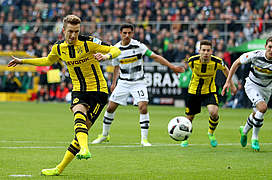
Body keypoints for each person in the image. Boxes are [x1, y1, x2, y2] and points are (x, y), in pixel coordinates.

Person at [8, 15, 121, 176]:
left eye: (76, 31)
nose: (73, 35)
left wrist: (106, 56)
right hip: (79, 90)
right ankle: (84, 149)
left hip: (98, 91)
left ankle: (61, 166)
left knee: (81, 131)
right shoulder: (59, 48)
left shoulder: (89, 42)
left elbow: (115, 49)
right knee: (78, 114)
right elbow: (47, 61)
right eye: (70, 32)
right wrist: (23, 61)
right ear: (63, 30)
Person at [92, 23, 184, 146]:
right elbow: (116, 67)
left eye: (129, 33)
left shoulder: (138, 46)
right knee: (110, 107)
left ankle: (144, 139)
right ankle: (104, 135)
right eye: (124, 33)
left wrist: (172, 67)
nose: (127, 35)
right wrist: (114, 83)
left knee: (143, 106)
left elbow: (155, 57)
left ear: (133, 33)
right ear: (120, 33)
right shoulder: (116, 49)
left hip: (138, 82)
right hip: (123, 82)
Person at [222, 36, 272, 151]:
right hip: (252, 85)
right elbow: (236, 63)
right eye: (269, 47)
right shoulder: (256, 54)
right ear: (265, 47)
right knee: (263, 108)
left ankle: (244, 131)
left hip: (267, 89)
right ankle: (254, 138)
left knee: (257, 114)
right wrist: (228, 82)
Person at [180, 40, 236, 147]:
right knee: (190, 117)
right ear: (199, 51)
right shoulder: (192, 61)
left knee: (214, 112)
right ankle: (185, 137)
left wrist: (231, 84)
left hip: (209, 91)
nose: (206, 52)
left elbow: (226, 69)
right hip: (193, 91)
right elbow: (184, 67)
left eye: (208, 50)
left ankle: (210, 133)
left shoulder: (217, 61)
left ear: (212, 51)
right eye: (203, 50)